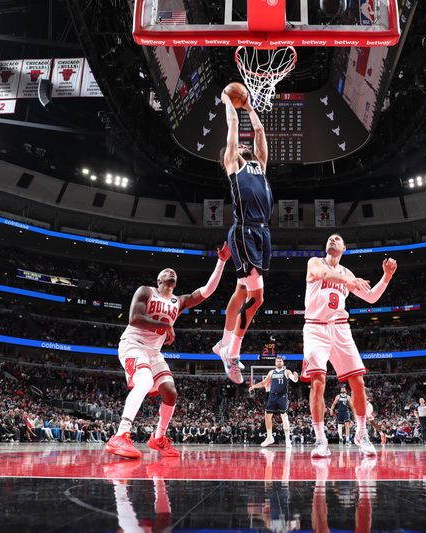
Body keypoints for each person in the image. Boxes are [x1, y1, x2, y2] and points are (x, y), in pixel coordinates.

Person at [105, 243, 232, 459]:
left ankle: (158, 437)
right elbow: (134, 318)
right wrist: (165, 326)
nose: (171, 272)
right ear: (159, 280)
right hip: (133, 344)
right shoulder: (146, 291)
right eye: (166, 271)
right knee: (144, 381)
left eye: (174, 272)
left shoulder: (178, 301)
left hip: (154, 352)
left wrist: (221, 261)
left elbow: (206, 292)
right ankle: (120, 435)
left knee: (170, 393)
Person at [301, 234, 398, 457]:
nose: (332, 240)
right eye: (330, 238)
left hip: (341, 328)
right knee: (318, 382)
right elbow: (322, 274)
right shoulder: (315, 262)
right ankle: (320, 439)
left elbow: (372, 298)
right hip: (316, 328)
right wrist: (348, 282)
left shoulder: (348, 273)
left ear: (344, 248)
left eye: (337, 239)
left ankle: (361, 433)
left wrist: (386, 277)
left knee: (358, 381)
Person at [214, 90, 273, 385]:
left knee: (241, 292)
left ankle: (224, 343)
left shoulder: (260, 165)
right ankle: (232, 352)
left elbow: (259, 130)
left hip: (262, 231)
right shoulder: (233, 164)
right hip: (245, 230)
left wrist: (250, 106)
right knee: (257, 297)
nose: (242, 147)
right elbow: (233, 129)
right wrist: (228, 101)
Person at [248, 356, 299, 447]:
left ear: (283, 363)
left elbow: (295, 380)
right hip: (272, 396)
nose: (279, 362)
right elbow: (264, 383)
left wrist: (295, 374)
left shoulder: (286, 371)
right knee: (267, 416)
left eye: (280, 361)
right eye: (277, 361)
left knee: (284, 416)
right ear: (275, 363)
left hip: (282, 396)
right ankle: (269, 437)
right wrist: (254, 386)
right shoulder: (271, 372)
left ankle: (287, 439)